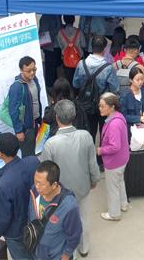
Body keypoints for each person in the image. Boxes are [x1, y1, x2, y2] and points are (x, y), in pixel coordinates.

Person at [40, 100, 100, 258]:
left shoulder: (50, 144)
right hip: (83, 187)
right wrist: (94, 180)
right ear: (74, 116)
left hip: (61, 194)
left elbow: (46, 173)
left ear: (57, 117)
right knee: (83, 218)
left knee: (65, 224)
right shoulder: (86, 136)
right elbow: (92, 163)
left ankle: (69, 253)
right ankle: (84, 248)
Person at [0, 133, 39, 259]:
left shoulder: (2, 185)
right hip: (36, 223)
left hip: (16, 233)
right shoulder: (33, 162)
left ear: (0, 153)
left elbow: (3, 219)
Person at [27, 161, 82, 260]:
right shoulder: (34, 192)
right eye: (35, 181)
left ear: (54, 185)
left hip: (54, 256)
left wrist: (66, 255)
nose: (36, 186)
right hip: (37, 251)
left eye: (40, 183)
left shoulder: (69, 206)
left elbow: (74, 234)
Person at [73, 35, 119, 149]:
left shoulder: (81, 64)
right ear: (104, 49)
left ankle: (89, 155)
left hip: (85, 104)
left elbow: (75, 84)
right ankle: (101, 156)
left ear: (91, 47)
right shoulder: (108, 68)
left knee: (88, 133)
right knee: (104, 132)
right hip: (104, 104)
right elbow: (115, 89)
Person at [96, 93, 130, 221]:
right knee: (120, 182)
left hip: (114, 162)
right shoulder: (119, 117)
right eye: (99, 105)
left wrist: (101, 150)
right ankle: (123, 204)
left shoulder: (113, 124)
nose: (100, 108)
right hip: (122, 159)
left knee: (112, 188)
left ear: (112, 107)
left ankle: (114, 214)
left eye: (102, 106)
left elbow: (115, 146)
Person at [8, 56, 43, 157]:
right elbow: (13, 110)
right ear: (21, 70)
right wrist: (19, 131)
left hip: (34, 122)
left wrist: (39, 119)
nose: (32, 73)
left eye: (34, 69)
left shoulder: (34, 79)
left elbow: (36, 100)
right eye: (28, 71)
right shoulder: (17, 87)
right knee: (28, 155)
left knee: (32, 149)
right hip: (26, 128)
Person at [57, 15, 85, 84]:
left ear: (64, 20)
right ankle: (76, 90)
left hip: (66, 58)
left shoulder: (60, 32)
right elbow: (84, 45)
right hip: (78, 57)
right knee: (78, 78)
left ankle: (69, 89)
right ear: (74, 20)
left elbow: (60, 46)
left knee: (68, 77)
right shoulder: (79, 32)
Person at [39, 15, 63, 89]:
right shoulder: (46, 17)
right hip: (50, 47)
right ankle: (49, 86)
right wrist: (58, 29)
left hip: (57, 46)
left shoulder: (57, 15)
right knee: (50, 68)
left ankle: (56, 86)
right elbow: (44, 32)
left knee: (56, 67)